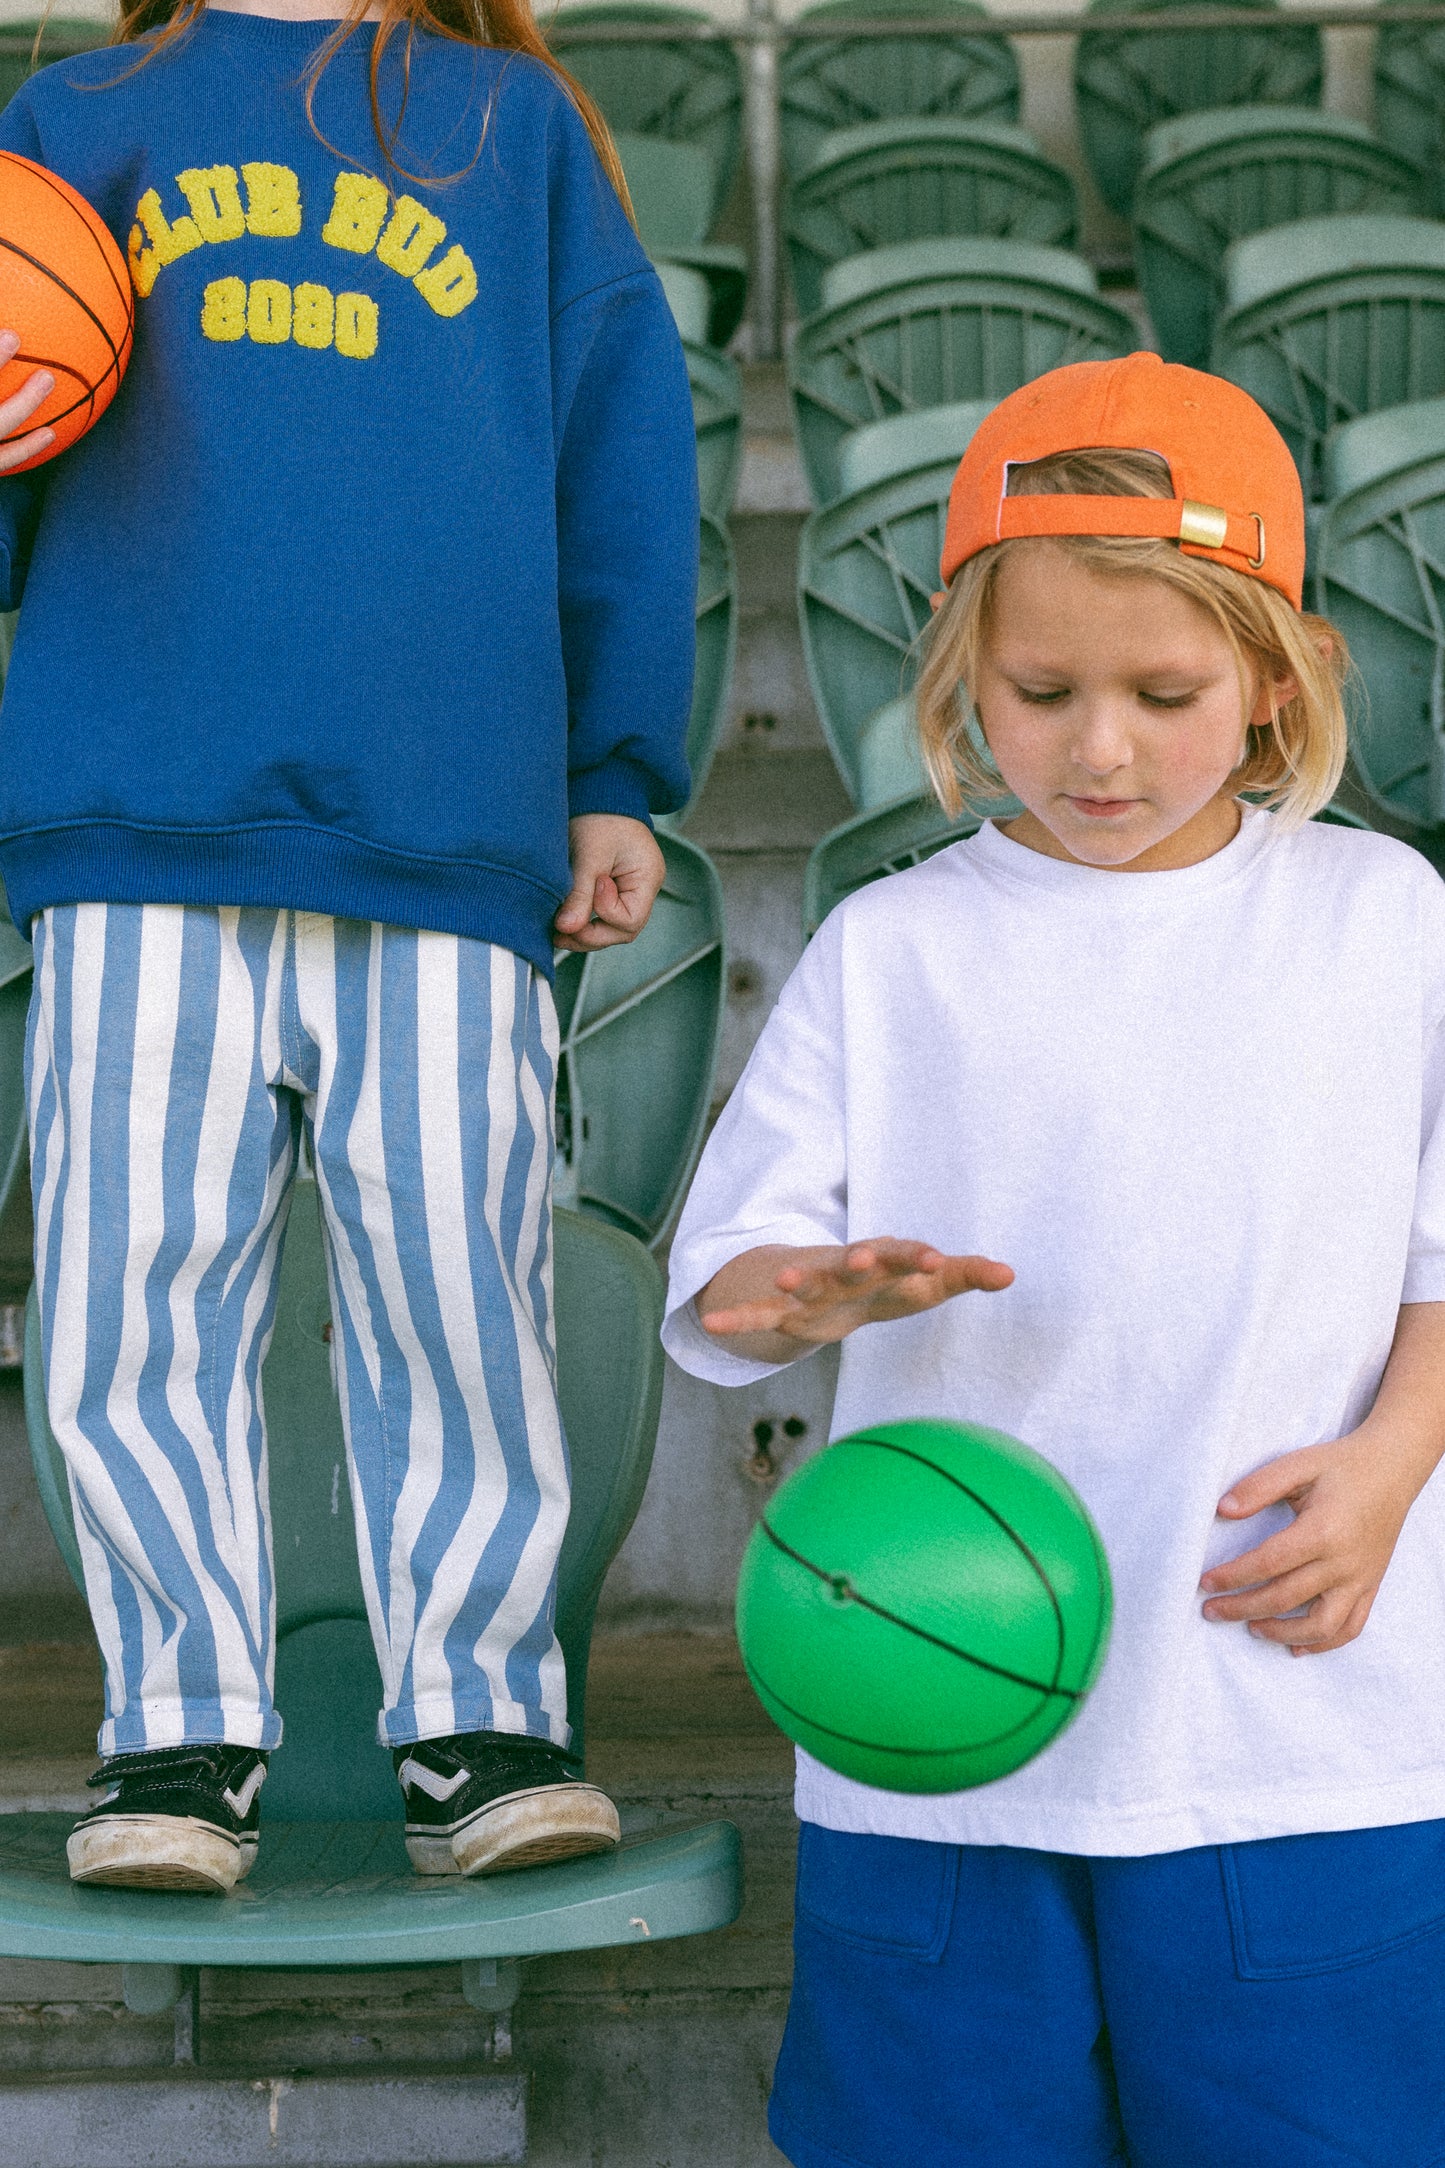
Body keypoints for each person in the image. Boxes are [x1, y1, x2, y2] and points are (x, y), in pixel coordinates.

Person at [664, 353, 1445, 2166]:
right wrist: (808, 1291)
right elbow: (729, 1287)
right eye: (1042, 691)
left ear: (1276, 677)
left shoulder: (1382, 919)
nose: (1100, 745)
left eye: (1162, 693)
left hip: (1294, 1727)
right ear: (959, 683)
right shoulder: (890, 945)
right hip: (931, 1736)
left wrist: (1395, 1461)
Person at [0, 0, 698, 1894]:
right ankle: (177, 1737)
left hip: (449, 824)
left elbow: (617, 453)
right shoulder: (77, 117)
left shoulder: (514, 125)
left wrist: (614, 767)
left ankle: (481, 1724)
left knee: (455, 1292)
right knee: (131, 1301)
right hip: (140, 809)